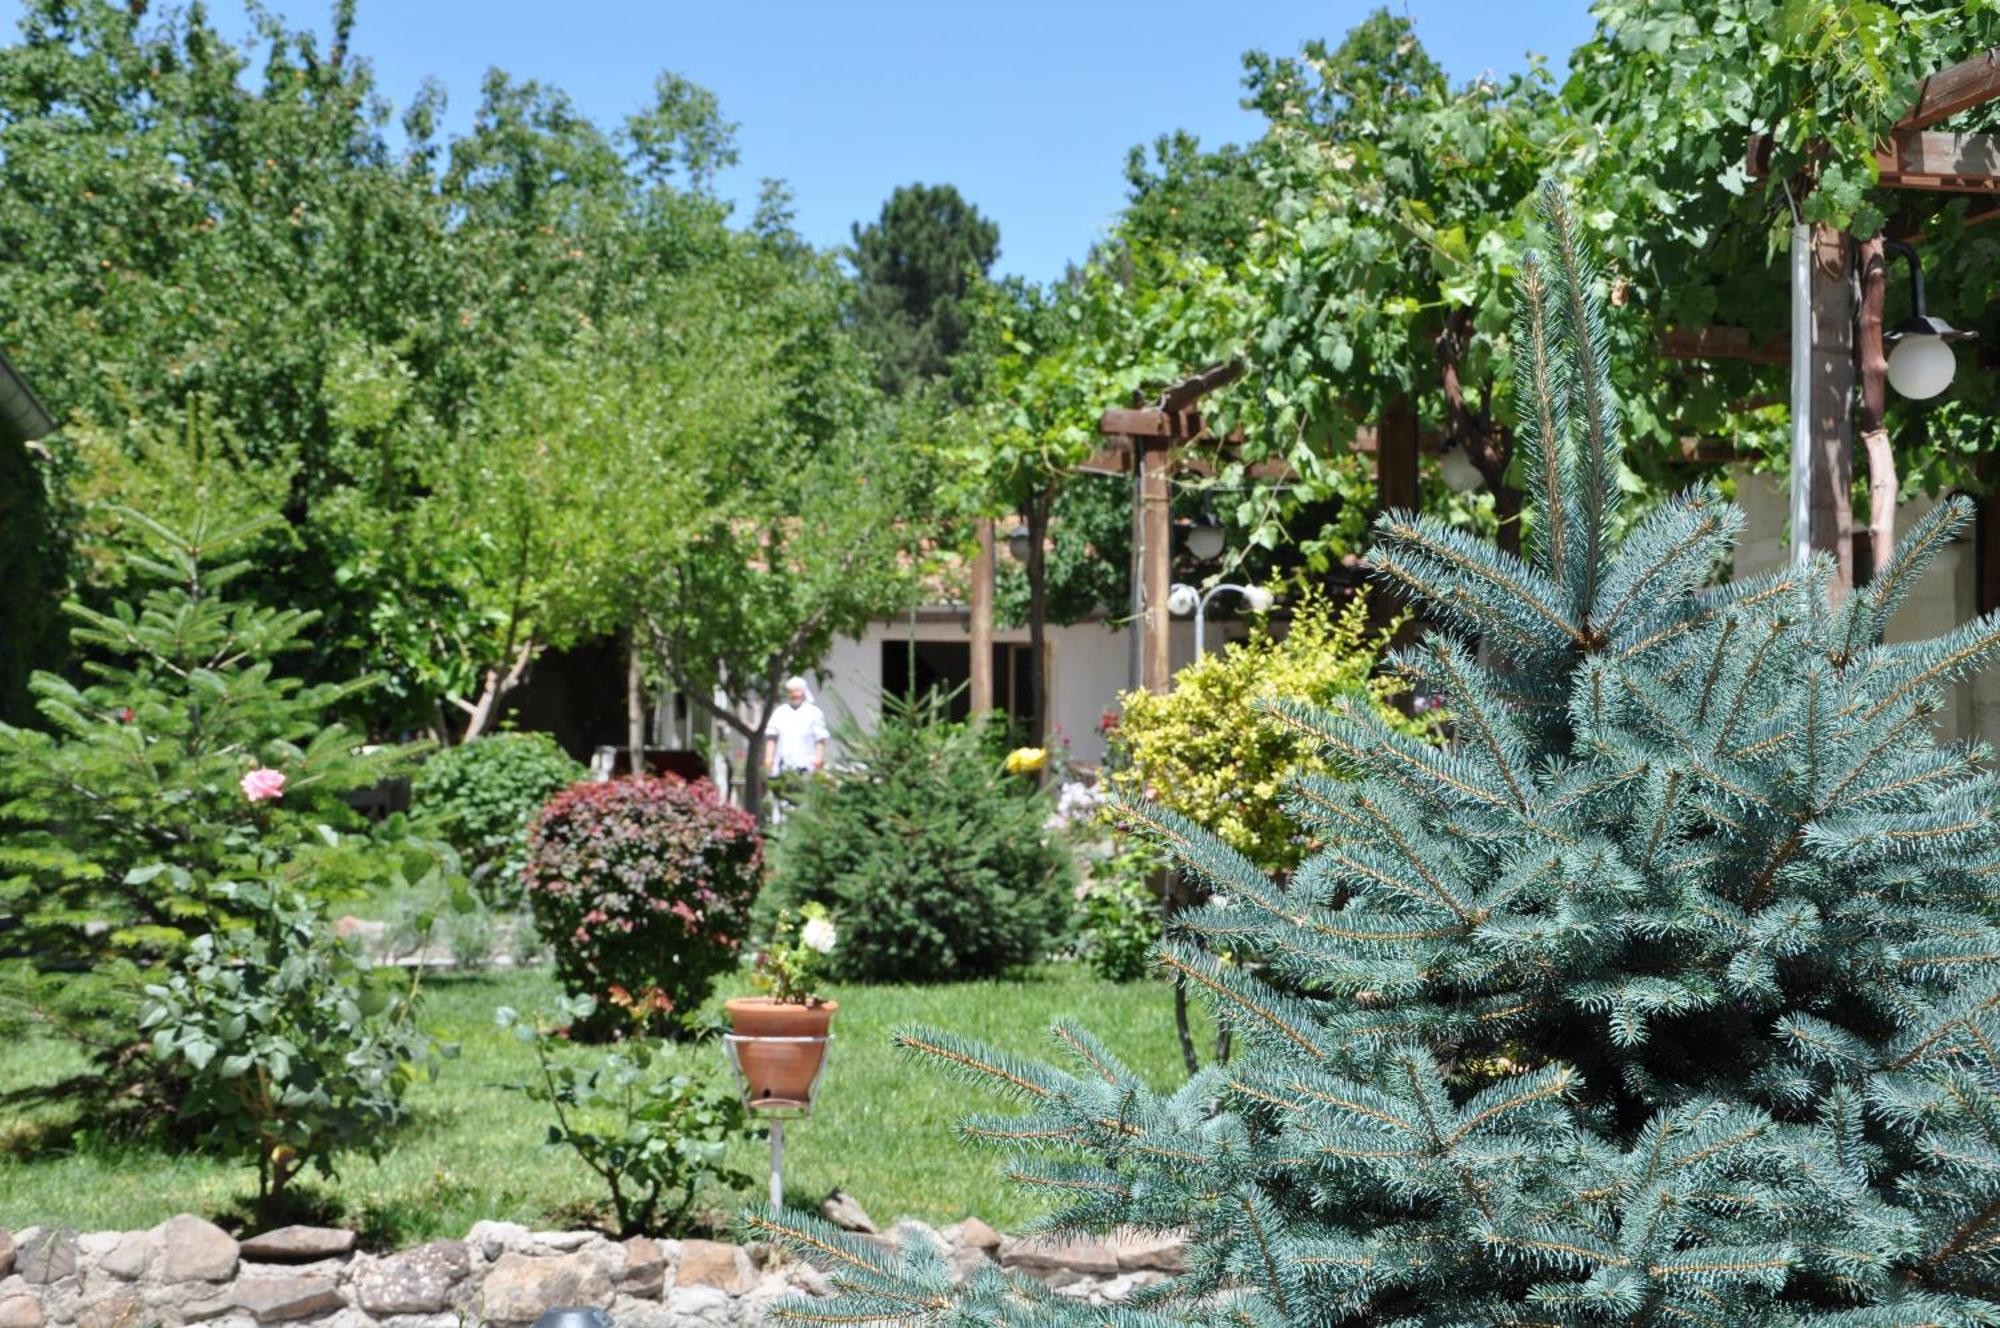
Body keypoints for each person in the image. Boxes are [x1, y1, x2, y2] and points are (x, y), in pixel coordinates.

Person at [765, 676, 829, 778]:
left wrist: (819, 759)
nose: (794, 695)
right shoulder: (780, 712)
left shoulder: (814, 713)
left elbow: (820, 739)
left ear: (803, 692)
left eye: (797, 691)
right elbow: (771, 737)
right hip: (783, 768)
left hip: (806, 767)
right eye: (791, 692)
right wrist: (769, 759)